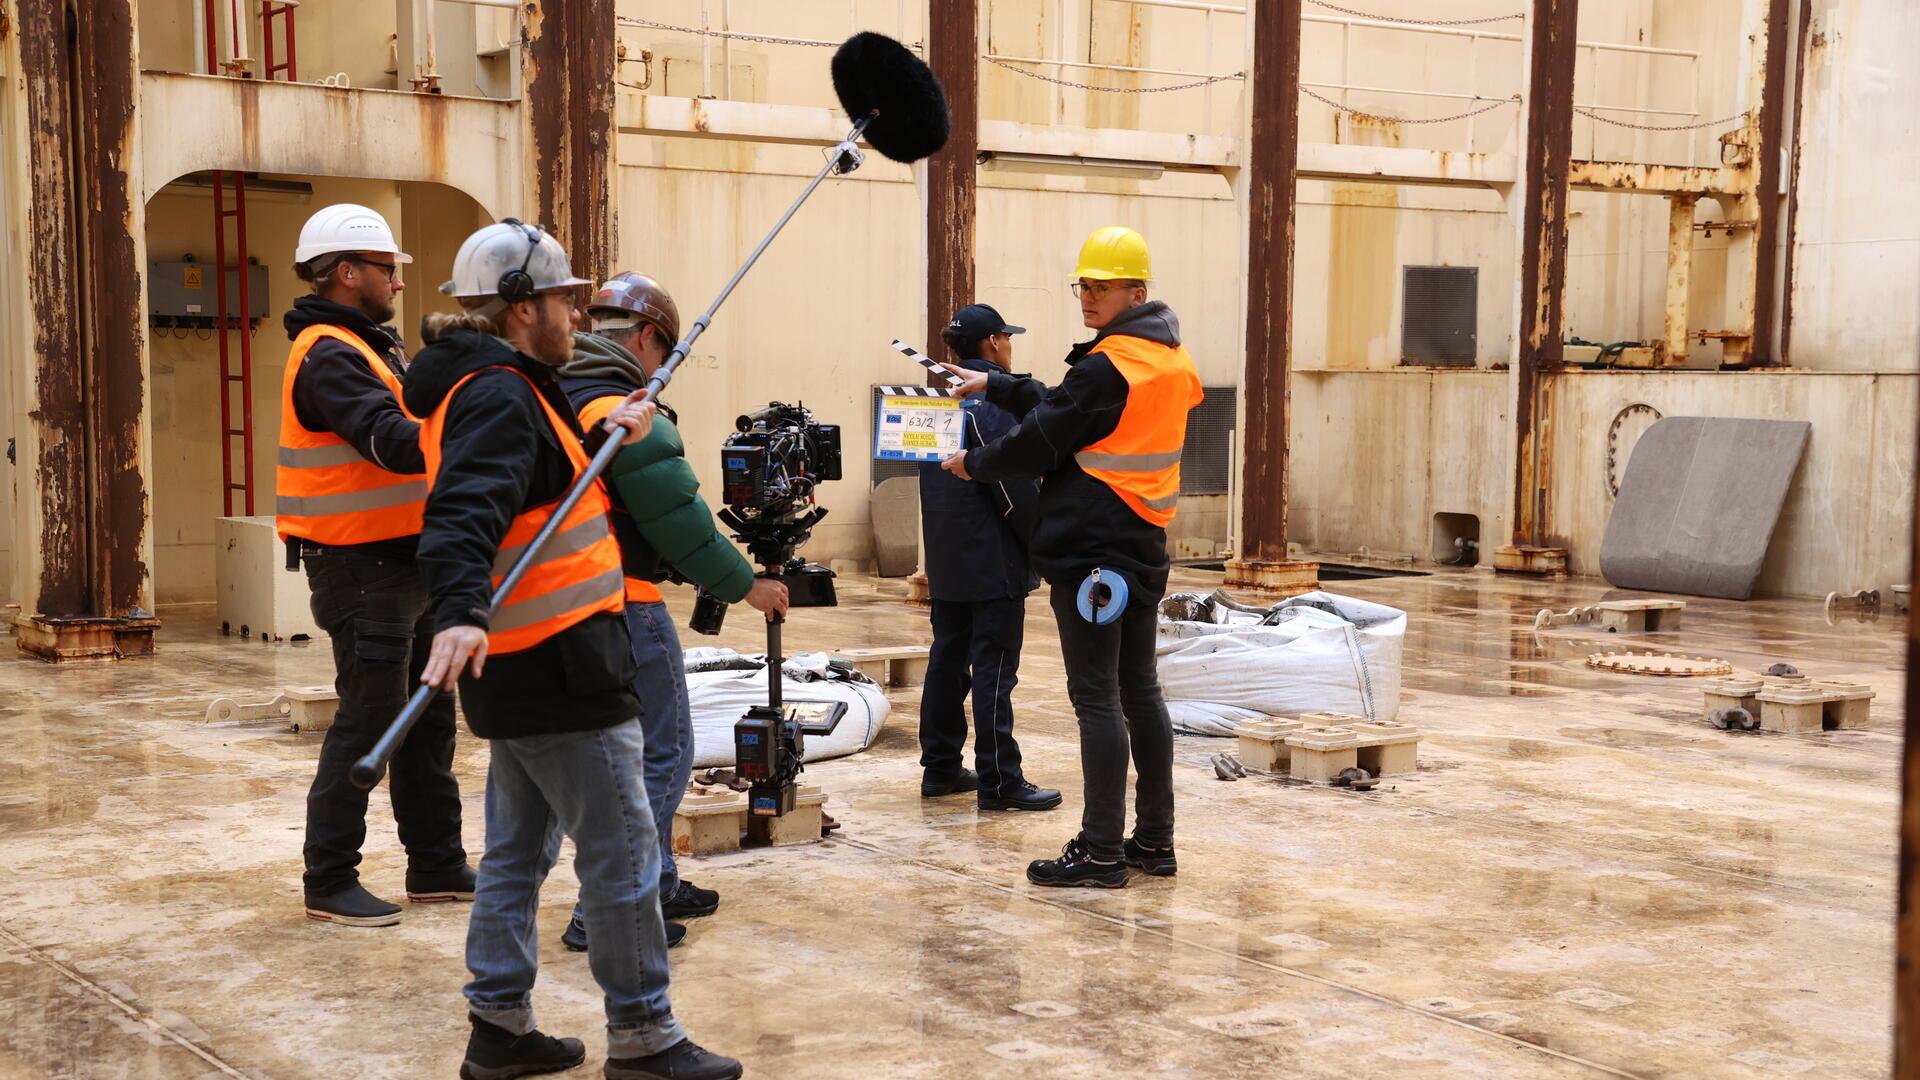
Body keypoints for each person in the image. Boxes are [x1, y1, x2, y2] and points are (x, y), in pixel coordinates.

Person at [405, 220, 740, 1080]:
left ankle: (501, 1027)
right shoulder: (498, 394)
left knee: (517, 854)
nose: (576, 317)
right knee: (624, 854)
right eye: (562, 300)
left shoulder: (504, 383)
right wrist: (456, 610)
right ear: (522, 308)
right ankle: (643, 1036)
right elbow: (466, 508)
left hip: (524, 670)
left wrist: (609, 433)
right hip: (561, 668)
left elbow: (529, 485)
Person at [941, 227, 1202, 889]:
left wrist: (972, 463)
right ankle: (1153, 841)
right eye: (1082, 285)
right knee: (1139, 691)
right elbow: (1070, 410)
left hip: (1091, 552)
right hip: (1141, 544)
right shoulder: (1165, 359)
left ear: (1134, 292)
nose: (1087, 297)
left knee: (1096, 700)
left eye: (1100, 287)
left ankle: (1100, 850)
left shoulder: (1109, 365)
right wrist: (995, 386)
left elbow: (1040, 442)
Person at [553, 272, 791, 953]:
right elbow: (679, 520)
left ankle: (654, 881)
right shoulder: (621, 407)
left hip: (564, 600)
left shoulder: (556, 391)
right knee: (663, 754)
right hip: (624, 598)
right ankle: (610, 907)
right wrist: (748, 584)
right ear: (648, 339)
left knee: (609, 759)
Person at [276, 203, 471, 928]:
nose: (397, 280)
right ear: (347, 272)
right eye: (388, 268)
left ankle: (437, 864)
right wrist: (467, 412)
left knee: (428, 717)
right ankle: (329, 879)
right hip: (361, 566)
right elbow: (389, 439)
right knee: (371, 720)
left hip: (405, 557)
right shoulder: (330, 353)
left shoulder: (373, 346)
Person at [915, 304, 1059, 812]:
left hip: (947, 558)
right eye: (1007, 336)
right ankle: (1000, 778)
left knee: (947, 661)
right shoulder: (999, 403)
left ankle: (940, 767)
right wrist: (1039, 545)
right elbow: (1018, 489)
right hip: (994, 558)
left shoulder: (934, 406)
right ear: (994, 343)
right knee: (994, 668)